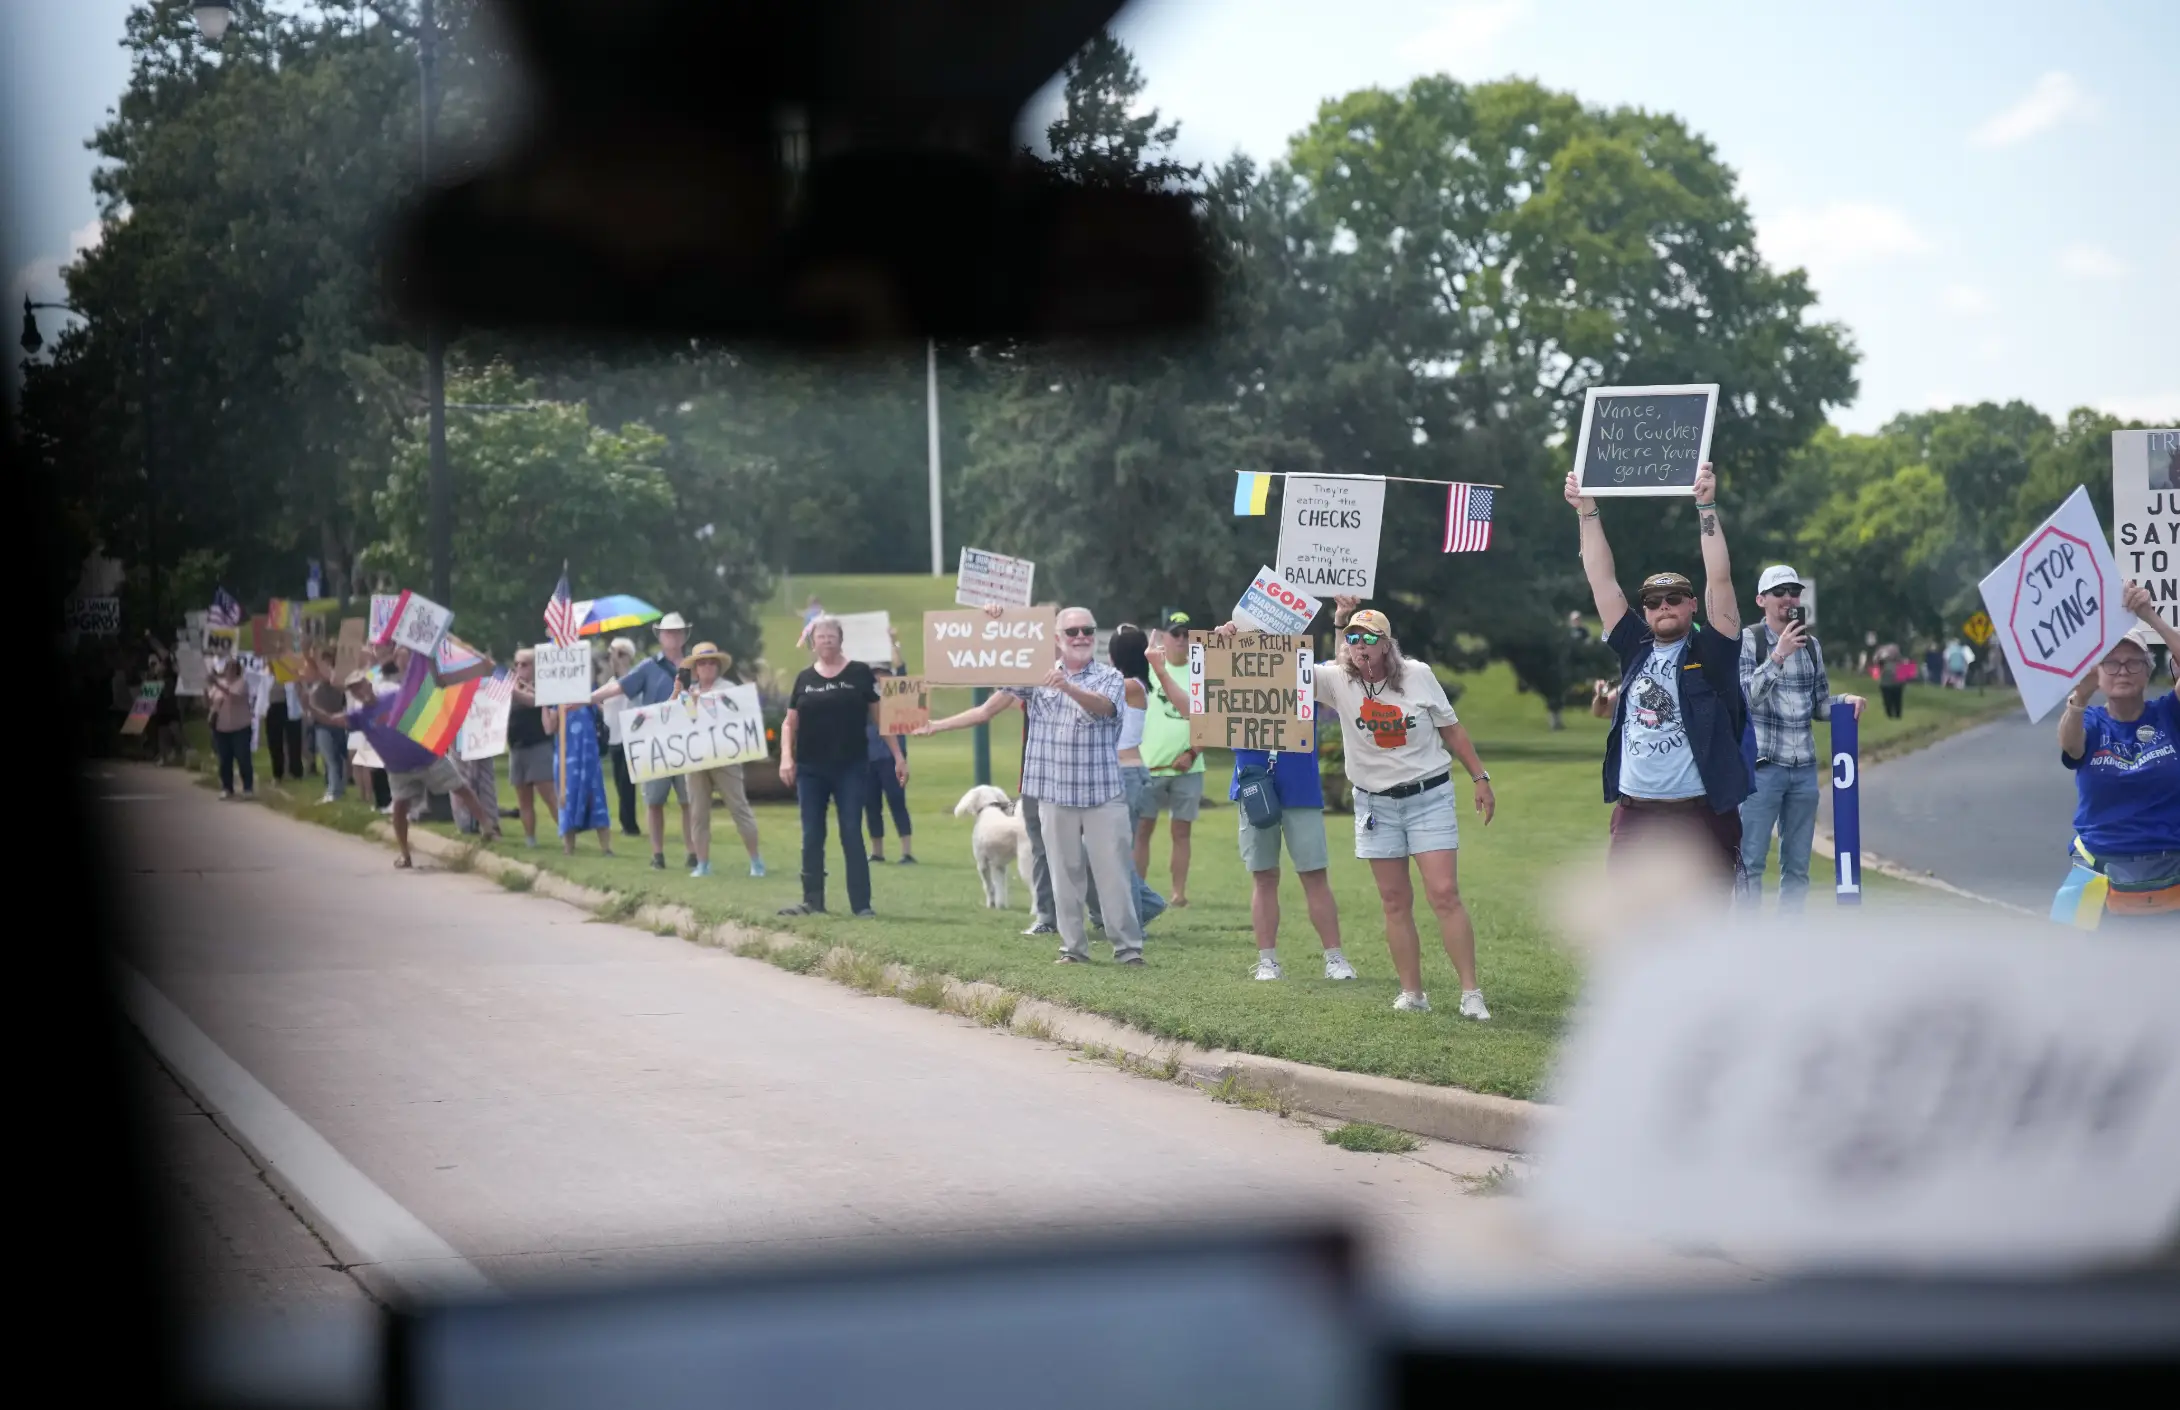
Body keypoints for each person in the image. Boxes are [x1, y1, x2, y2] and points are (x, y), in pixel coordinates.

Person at [922, 607, 1144, 966]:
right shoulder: (1032, 676)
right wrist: (997, 623)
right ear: (1056, 638)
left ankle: (1128, 949)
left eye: (1087, 630)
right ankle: (1073, 949)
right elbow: (987, 696)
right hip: (1053, 794)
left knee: (1112, 873)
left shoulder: (1110, 676)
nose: (1081, 637)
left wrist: (1069, 688)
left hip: (1102, 793)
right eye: (1071, 631)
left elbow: (1104, 708)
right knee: (1063, 873)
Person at [1567, 462, 1752, 888]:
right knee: (1632, 929)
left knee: (1704, 933)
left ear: (1691, 605)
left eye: (1674, 598)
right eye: (1653, 601)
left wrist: (1707, 507)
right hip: (1637, 812)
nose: (1663, 606)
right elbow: (1601, 580)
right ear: (1645, 611)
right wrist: (1586, 509)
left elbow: (1719, 580)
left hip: (1700, 812)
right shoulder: (1635, 645)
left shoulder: (1713, 651)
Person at [1317, 599, 1496, 1016]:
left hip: (1427, 796)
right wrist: (1238, 638)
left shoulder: (1417, 675)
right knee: (1394, 900)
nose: (1360, 646)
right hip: (1376, 804)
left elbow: (1451, 729)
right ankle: (1413, 994)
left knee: (1444, 893)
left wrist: (1480, 778)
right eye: (1353, 639)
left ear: (1386, 645)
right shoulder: (1335, 680)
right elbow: (1275, 665)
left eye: (1370, 639)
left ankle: (1471, 994)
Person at [1738, 565, 1865, 911]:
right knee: (1750, 861)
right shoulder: (1749, 639)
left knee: (1798, 867)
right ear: (1761, 600)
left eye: (1794, 592)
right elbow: (1746, 699)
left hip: (1803, 769)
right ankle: (1744, 944)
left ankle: (1788, 943)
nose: (1788, 599)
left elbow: (1818, 705)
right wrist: (1779, 655)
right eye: (1779, 593)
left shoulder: (1812, 647)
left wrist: (1844, 702)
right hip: (1762, 768)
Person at [2057, 583, 2180, 926]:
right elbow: (2070, 745)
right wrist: (2078, 697)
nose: (2122, 670)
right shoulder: (2091, 722)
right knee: (2079, 973)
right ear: (2098, 674)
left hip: (2171, 877)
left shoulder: (2170, 714)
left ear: (2148, 671)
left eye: (2133, 662)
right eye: (2111, 663)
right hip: (2095, 879)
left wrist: (2149, 616)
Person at [779, 616, 900, 915]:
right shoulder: (804, 679)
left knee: (850, 830)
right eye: (821, 635)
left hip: (850, 766)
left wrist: (899, 756)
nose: (827, 640)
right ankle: (812, 901)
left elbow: (880, 718)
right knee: (812, 833)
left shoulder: (859, 673)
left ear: (841, 639)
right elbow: (789, 721)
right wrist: (786, 756)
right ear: (813, 642)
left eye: (832, 634)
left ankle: (861, 905)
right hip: (810, 768)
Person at [322, 668, 498, 866]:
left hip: (427, 758)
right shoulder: (358, 716)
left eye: (361, 685)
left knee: (461, 788)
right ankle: (405, 855)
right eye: (354, 690)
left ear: (369, 684)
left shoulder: (394, 696)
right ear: (352, 694)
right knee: (399, 809)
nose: (360, 691)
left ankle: (488, 828)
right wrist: (311, 707)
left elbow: (424, 701)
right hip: (399, 769)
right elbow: (331, 720)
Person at [591, 612, 696, 870]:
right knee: (654, 801)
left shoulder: (694, 665)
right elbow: (619, 687)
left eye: (677, 632)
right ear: (660, 636)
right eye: (668, 632)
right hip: (655, 743)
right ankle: (657, 854)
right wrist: (587, 698)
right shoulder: (649, 667)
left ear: (684, 636)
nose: (673, 636)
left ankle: (693, 852)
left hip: (688, 742)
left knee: (689, 802)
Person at [1108, 623, 1186, 929]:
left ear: (1114, 655)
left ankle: (1139, 910)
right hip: (1126, 772)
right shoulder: (1134, 683)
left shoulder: (1130, 686)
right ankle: (1129, 910)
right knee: (1110, 850)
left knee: (1115, 851)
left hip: (1126, 774)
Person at [1135, 613, 1204, 907]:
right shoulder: (1148, 672)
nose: (1181, 639)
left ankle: (1178, 893)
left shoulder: (1201, 673)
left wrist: (1191, 753)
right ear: (1163, 636)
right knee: (1142, 830)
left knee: (1181, 831)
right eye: (1175, 633)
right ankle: (1136, 889)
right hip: (1149, 765)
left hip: (1189, 768)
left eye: (1186, 634)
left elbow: (1210, 720)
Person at [683, 641, 765, 878]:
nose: (707, 667)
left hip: (726, 757)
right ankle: (702, 864)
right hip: (696, 759)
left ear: (718, 666)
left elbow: (740, 715)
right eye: (702, 663)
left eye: (711, 662)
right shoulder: (689, 693)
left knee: (739, 807)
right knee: (698, 813)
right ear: (696, 668)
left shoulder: (729, 689)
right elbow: (679, 723)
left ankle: (756, 861)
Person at [865, 627, 916, 865]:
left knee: (897, 800)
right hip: (866, 753)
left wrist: (893, 640)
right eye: (874, 672)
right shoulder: (863, 693)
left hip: (891, 754)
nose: (878, 676)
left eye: (882, 672)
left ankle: (906, 851)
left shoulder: (897, 689)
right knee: (871, 802)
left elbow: (901, 667)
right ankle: (877, 851)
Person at [505, 648, 564, 848]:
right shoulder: (511, 688)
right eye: (517, 664)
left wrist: (512, 691)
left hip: (539, 747)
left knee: (549, 796)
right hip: (516, 748)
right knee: (524, 799)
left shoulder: (543, 688)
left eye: (525, 664)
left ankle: (566, 836)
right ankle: (530, 839)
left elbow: (535, 701)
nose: (519, 668)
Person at [556, 700, 616, 856]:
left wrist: (591, 700)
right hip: (567, 756)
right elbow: (549, 727)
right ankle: (568, 848)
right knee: (568, 800)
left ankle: (606, 848)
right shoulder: (555, 697)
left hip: (589, 753)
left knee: (597, 798)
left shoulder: (588, 692)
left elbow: (607, 715)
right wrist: (550, 707)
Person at [599, 637, 642, 837]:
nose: (612, 658)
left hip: (630, 737)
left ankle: (630, 826)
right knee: (618, 782)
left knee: (627, 783)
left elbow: (629, 692)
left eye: (617, 653)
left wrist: (621, 661)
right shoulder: (610, 682)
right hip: (614, 738)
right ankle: (626, 822)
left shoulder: (634, 678)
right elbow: (605, 704)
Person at [205, 658, 256, 799]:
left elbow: (234, 696)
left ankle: (248, 788)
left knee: (243, 758)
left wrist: (216, 683)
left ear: (237, 671)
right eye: (228, 668)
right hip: (222, 728)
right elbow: (211, 701)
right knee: (224, 760)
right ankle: (227, 787)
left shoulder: (242, 683)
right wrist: (207, 687)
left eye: (233, 669)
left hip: (240, 727)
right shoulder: (219, 684)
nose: (230, 672)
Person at [303, 648, 348, 802]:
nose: (324, 663)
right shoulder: (315, 680)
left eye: (327, 660)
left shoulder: (335, 677)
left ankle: (335, 791)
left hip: (335, 721)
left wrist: (309, 653)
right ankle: (334, 788)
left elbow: (328, 676)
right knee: (329, 759)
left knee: (333, 758)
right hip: (320, 723)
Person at [265, 675, 305, 783]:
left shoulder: (291, 673)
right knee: (274, 742)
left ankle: (296, 772)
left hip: (290, 708)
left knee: (294, 742)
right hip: (273, 708)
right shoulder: (267, 675)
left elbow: (300, 690)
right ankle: (277, 773)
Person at [1875, 643, 1907, 720]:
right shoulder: (1883, 662)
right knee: (1892, 701)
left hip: (1892, 684)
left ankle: (1895, 715)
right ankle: (1893, 715)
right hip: (1889, 684)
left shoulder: (1898, 662)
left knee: (1893, 701)